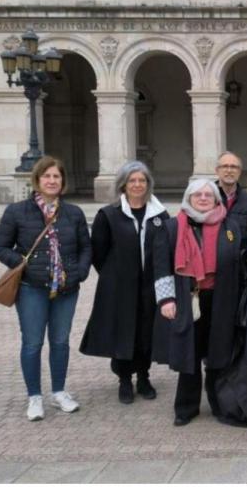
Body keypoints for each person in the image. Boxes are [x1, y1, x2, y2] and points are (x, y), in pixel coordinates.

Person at [0, 156, 92, 422]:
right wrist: (22, 264)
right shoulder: (16, 212)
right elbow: (0, 247)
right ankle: (34, 396)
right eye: (46, 176)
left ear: (62, 181)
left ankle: (59, 392)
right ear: (36, 180)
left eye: (56, 176)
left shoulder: (73, 213)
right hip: (31, 288)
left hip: (66, 288)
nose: (51, 181)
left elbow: (86, 247)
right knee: (32, 342)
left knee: (60, 341)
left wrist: (80, 272)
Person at [152, 179, 243, 427]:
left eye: (208, 195)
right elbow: (161, 266)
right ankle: (186, 407)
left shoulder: (230, 225)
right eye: (197, 194)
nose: (203, 198)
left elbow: (239, 262)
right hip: (188, 297)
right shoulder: (173, 227)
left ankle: (218, 401)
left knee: (218, 352)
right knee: (189, 353)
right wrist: (166, 299)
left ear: (216, 200)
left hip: (221, 297)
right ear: (188, 198)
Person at [80, 161, 169, 405]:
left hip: (150, 286)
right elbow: (99, 252)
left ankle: (143, 376)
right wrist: (116, 275)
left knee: (145, 331)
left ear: (148, 184)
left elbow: (166, 250)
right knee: (123, 331)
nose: (137, 185)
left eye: (142, 180)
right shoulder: (108, 215)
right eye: (132, 181)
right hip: (119, 287)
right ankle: (124, 380)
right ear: (124, 185)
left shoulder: (159, 214)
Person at [215, 152, 247, 254]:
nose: (229, 170)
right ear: (217, 170)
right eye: (225, 166)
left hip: (240, 263)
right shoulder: (205, 198)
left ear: (239, 171)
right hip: (211, 262)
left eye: (234, 167)